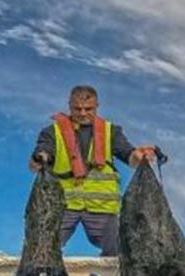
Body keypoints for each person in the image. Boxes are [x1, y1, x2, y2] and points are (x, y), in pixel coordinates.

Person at [29, 84, 159, 256]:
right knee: (42, 247)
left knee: (118, 249)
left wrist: (141, 155)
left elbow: (130, 157)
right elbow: (41, 153)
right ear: (69, 105)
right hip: (63, 204)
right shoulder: (52, 132)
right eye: (78, 109)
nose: (83, 113)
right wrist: (40, 158)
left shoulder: (111, 131)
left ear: (97, 106)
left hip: (103, 207)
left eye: (88, 109)